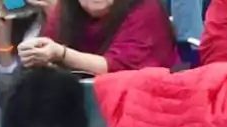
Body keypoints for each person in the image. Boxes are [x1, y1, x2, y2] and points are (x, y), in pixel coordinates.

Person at [14, 0, 176, 75]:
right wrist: (35, 55)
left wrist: (61, 54)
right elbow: (50, 51)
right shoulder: (65, 10)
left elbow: (115, 68)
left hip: (144, 105)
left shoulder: (145, 8)